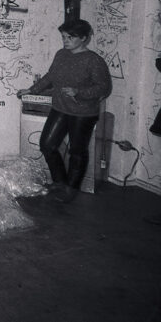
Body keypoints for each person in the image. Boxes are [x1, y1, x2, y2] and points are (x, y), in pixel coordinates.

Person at [17, 19, 112, 203]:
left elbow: (104, 88)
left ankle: (71, 189)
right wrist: (32, 89)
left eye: (70, 37)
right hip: (60, 108)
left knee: (77, 151)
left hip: (83, 113)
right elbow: (50, 76)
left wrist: (80, 92)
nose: (65, 40)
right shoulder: (61, 54)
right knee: (47, 144)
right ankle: (60, 182)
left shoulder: (94, 60)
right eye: (63, 37)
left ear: (84, 38)